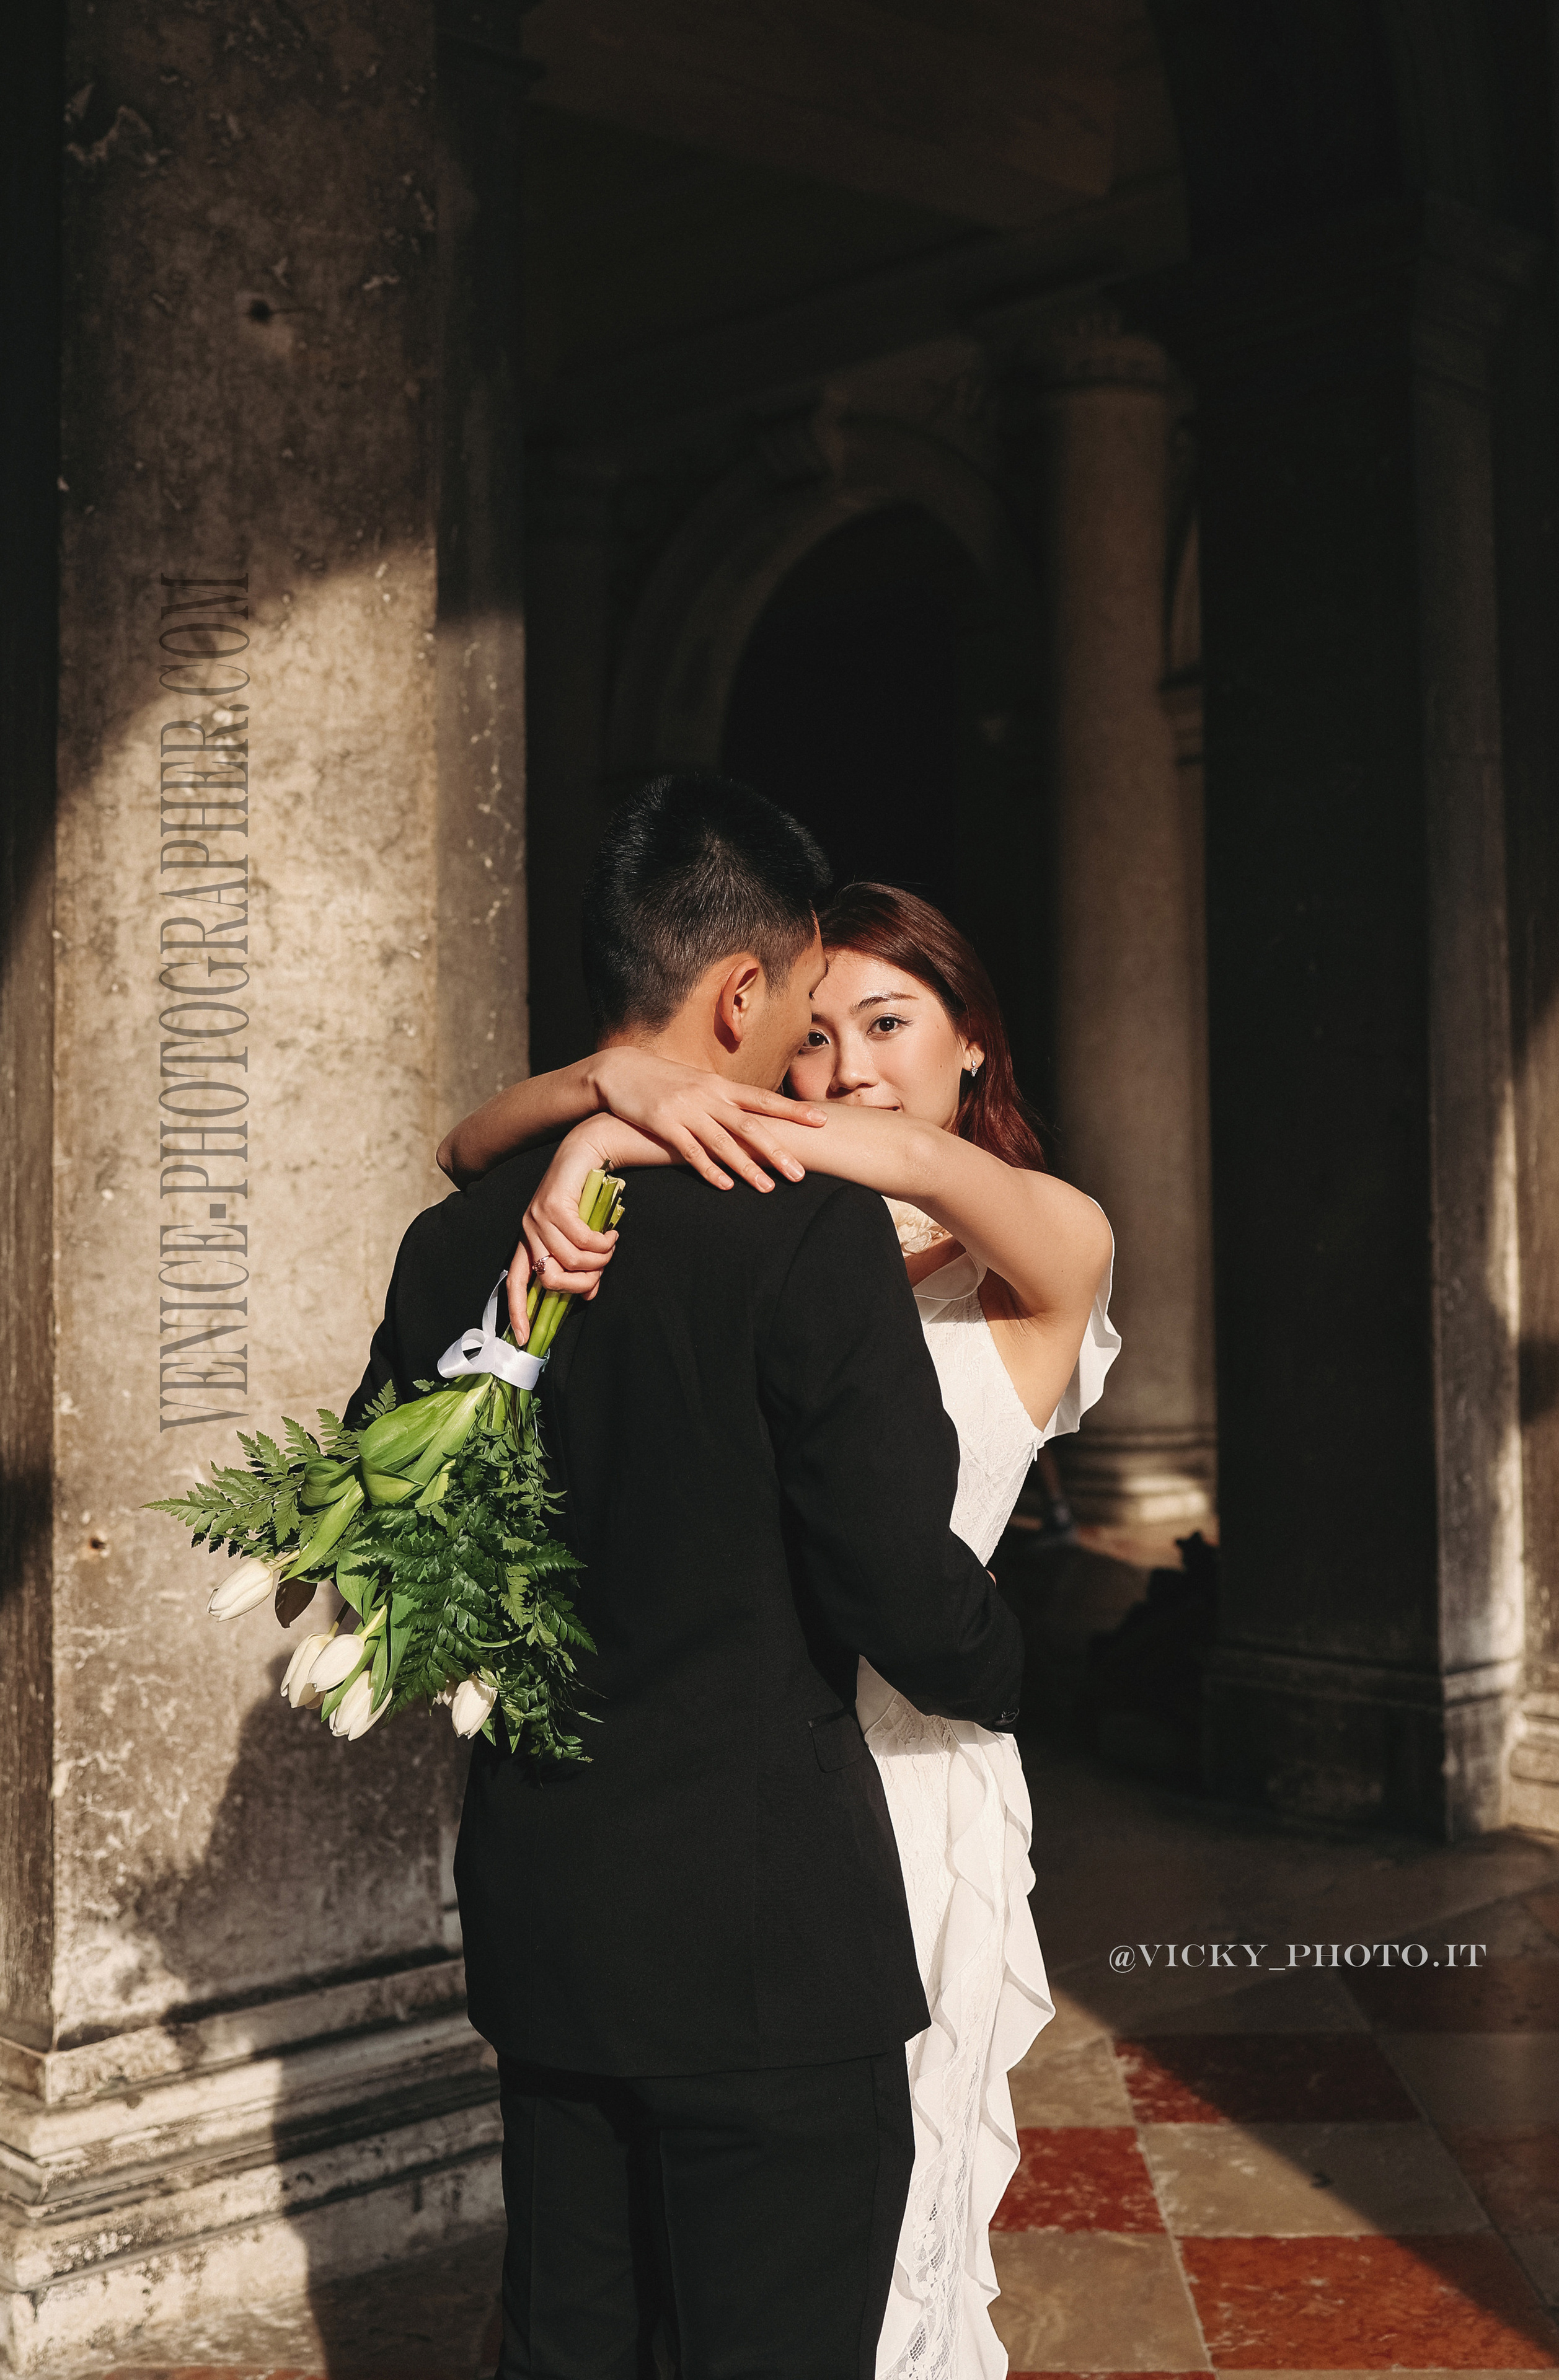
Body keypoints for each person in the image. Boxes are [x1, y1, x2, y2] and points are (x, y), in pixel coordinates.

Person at [350, 773, 1026, 2380]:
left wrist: (584, 1119)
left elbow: (390, 1552)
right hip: (765, 1953)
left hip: (549, 1922)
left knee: (574, 2348)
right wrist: (1010, 1668)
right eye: (799, 1005)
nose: (804, 1052)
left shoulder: (455, 1243)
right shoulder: (802, 1231)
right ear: (740, 992)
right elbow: (892, 1579)